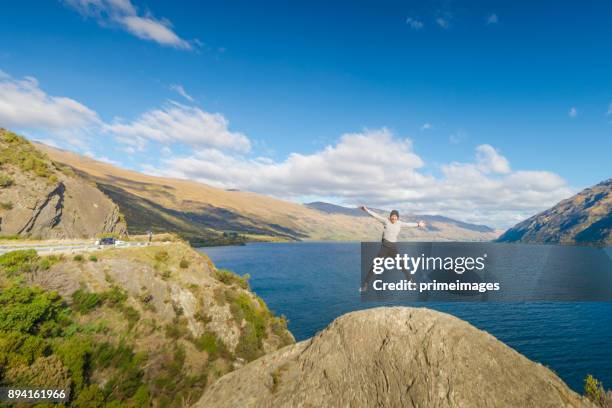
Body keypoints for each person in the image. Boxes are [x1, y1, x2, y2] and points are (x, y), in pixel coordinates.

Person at [360, 205, 426, 292]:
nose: (394, 218)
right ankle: (365, 285)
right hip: (384, 248)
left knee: (403, 265)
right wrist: (367, 210)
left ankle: (411, 283)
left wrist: (418, 224)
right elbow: (376, 216)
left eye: (395, 216)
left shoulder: (399, 223)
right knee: (375, 266)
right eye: (392, 216)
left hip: (393, 249)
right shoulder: (385, 221)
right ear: (390, 216)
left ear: (397, 218)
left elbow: (408, 224)